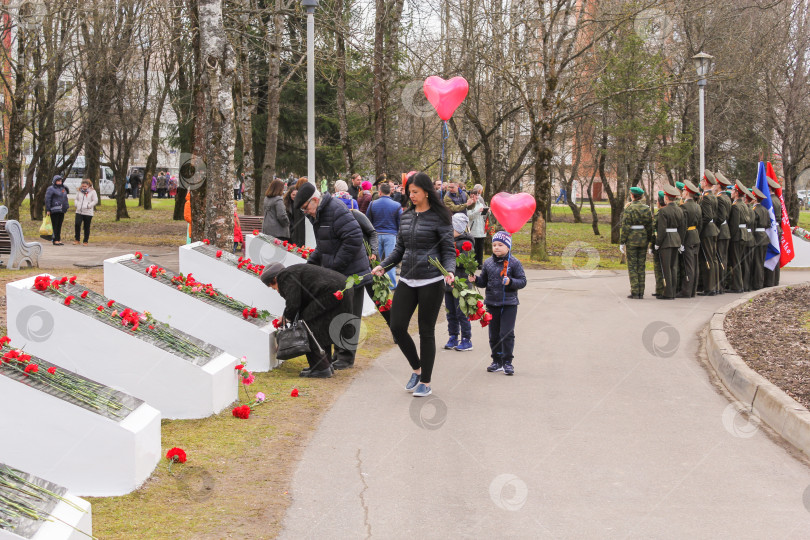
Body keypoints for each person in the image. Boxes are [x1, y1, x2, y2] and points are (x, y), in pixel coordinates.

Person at [372, 172, 455, 398]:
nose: (412, 196)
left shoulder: (441, 217)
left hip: (431, 280)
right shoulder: (406, 216)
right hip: (407, 278)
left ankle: (426, 382)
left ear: (426, 192)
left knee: (426, 331)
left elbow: (448, 250)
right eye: (410, 192)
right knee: (397, 326)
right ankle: (417, 370)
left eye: (415, 192)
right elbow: (399, 249)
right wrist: (384, 266)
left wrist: (449, 271)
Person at [294, 182, 370, 370]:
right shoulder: (319, 215)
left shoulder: (336, 210)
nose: (306, 212)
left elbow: (353, 239)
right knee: (339, 314)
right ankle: (339, 354)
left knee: (349, 315)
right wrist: (310, 265)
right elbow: (324, 246)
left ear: (314, 200)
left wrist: (334, 267)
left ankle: (346, 357)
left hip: (353, 273)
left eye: (306, 208)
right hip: (339, 274)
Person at [261, 263, 352, 378]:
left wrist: (286, 318)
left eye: (274, 287)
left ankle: (321, 368)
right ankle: (325, 364)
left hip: (330, 291)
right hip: (341, 287)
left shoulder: (284, 277)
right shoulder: (291, 272)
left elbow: (293, 303)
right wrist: (286, 317)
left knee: (306, 325)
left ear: (274, 279)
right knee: (321, 325)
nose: (277, 290)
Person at [475, 232, 527, 375]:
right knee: (494, 335)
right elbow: (483, 282)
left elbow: (523, 281)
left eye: (500, 245)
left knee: (506, 333)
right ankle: (496, 360)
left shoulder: (514, 263)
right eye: (494, 245)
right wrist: (475, 279)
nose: (496, 247)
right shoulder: (488, 263)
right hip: (492, 303)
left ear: (508, 246)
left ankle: (507, 362)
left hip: (509, 304)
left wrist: (511, 282)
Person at [444, 213, 476, 351]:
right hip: (449, 285)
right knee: (450, 312)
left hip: (461, 284)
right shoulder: (449, 242)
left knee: (461, 311)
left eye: (452, 228)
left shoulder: (466, 243)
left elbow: (468, 264)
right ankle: (453, 336)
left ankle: (466, 338)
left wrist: (455, 259)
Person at [619, 186, 653, 299]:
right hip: (643, 238)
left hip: (632, 239)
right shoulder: (646, 208)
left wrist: (622, 241)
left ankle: (635, 291)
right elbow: (649, 226)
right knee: (641, 265)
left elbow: (625, 226)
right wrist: (649, 239)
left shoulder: (629, 208)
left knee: (633, 266)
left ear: (632, 196)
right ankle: (641, 291)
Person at [365, 181, 400, 288]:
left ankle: (374, 282)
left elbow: (367, 221)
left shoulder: (372, 204)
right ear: (390, 192)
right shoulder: (396, 205)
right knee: (390, 261)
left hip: (376, 234)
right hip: (391, 235)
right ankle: (392, 285)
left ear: (380, 192)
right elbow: (400, 222)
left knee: (375, 261)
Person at [654, 184, 685, 300]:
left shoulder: (664, 211)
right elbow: (682, 228)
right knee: (673, 267)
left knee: (666, 268)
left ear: (666, 197)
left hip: (666, 240)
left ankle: (668, 293)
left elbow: (661, 230)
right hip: (676, 239)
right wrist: (680, 242)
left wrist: (657, 243)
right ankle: (673, 291)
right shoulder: (680, 210)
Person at [678, 181, 701, 298]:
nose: (682, 193)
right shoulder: (698, 206)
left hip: (687, 237)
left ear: (687, 192)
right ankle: (693, 290)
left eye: (683, 191)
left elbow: (682, 226)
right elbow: (700, 224)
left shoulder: (684, 207)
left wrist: (680, 242)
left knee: (688, 265)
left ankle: (686, 291)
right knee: (695, 265)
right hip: (696, 235)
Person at [698, 172, 720, 296]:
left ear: (705, 183)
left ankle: (709, 288)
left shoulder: (706, 197)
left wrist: (699, 229)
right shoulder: (713, 196)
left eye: (702, 181)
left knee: (707, 259)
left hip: (707, 230)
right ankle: (715, 286)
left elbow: (707, 216)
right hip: (713, 229)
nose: (701, 183)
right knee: (713, 259)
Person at [714, 171, 733, 293]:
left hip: (721, 230)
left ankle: (720, 285)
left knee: (720, 258)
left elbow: (720, 217)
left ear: (719, 186)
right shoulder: (727, 197)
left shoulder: (721, 199)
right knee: (723, 258)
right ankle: (723, 283)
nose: (714, 186)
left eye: (715, 184)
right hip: (726, 230)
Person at [751, 187, 770, 290]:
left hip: (758, 237)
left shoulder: (754, 210)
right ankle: (761, 281)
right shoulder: (764, 210)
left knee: (757, 261)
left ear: (754, 198)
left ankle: (757, 284)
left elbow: (753, 225)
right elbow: (768, 224)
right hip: (764, 236)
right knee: (761, 261)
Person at [764, 177, 782, 287]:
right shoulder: (776, 199)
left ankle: (770, 281)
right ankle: (775, 280)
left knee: (771, 254)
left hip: (773, 229)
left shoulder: (771, 200)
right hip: (777, 229)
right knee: (775, 254)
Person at [466, 184, 488, 268]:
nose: (477, 197)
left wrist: (486, 212)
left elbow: (483, 216)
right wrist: (477, 211)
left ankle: (480, 263)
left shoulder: (480, 203)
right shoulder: (469, 204)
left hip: (481, 228)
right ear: (471, 196)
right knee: (474, 247)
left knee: (480, 247)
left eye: (478, 195)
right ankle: (473, 263)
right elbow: (469, 216)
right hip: (473, 228)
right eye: (475, 195)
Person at [45, 175, 69, 246]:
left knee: (59, 225)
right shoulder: (51, 189)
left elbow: (65, 198)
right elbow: (48, 199)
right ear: (55, 181)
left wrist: (66, 206)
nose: (59, 182)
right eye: (58, 181)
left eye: (60, 181)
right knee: (54, 225)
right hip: (54, 209)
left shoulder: (63, 188)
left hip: (61, 210)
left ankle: (58, 239)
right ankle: (55, 240)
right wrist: (48, 209)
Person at [284, 177, 309, 247]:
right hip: (295, 230)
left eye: (296, 194)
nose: (294, 197)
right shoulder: (291, 203)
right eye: (293, 195)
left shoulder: (298, 202)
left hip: (296, 230)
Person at [650, 191, 666, 297]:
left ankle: (661, 289)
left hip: (659, 243)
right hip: (668, 242)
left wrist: (652, 245)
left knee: (659, 267)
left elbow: (654, 230)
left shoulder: (660, 213)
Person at [73, 179, 98, 245]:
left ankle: (85, 240)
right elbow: (76, 199)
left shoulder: (92, 192)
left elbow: (95, 200)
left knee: (86, 226)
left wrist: (89, 205)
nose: (83, 187)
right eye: (82, 186)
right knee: (77, 224)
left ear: (88, 185)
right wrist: (76, 204)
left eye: (85, 186)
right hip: (79, 211)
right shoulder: (79, 191)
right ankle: (77, 239)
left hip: (88, 212)